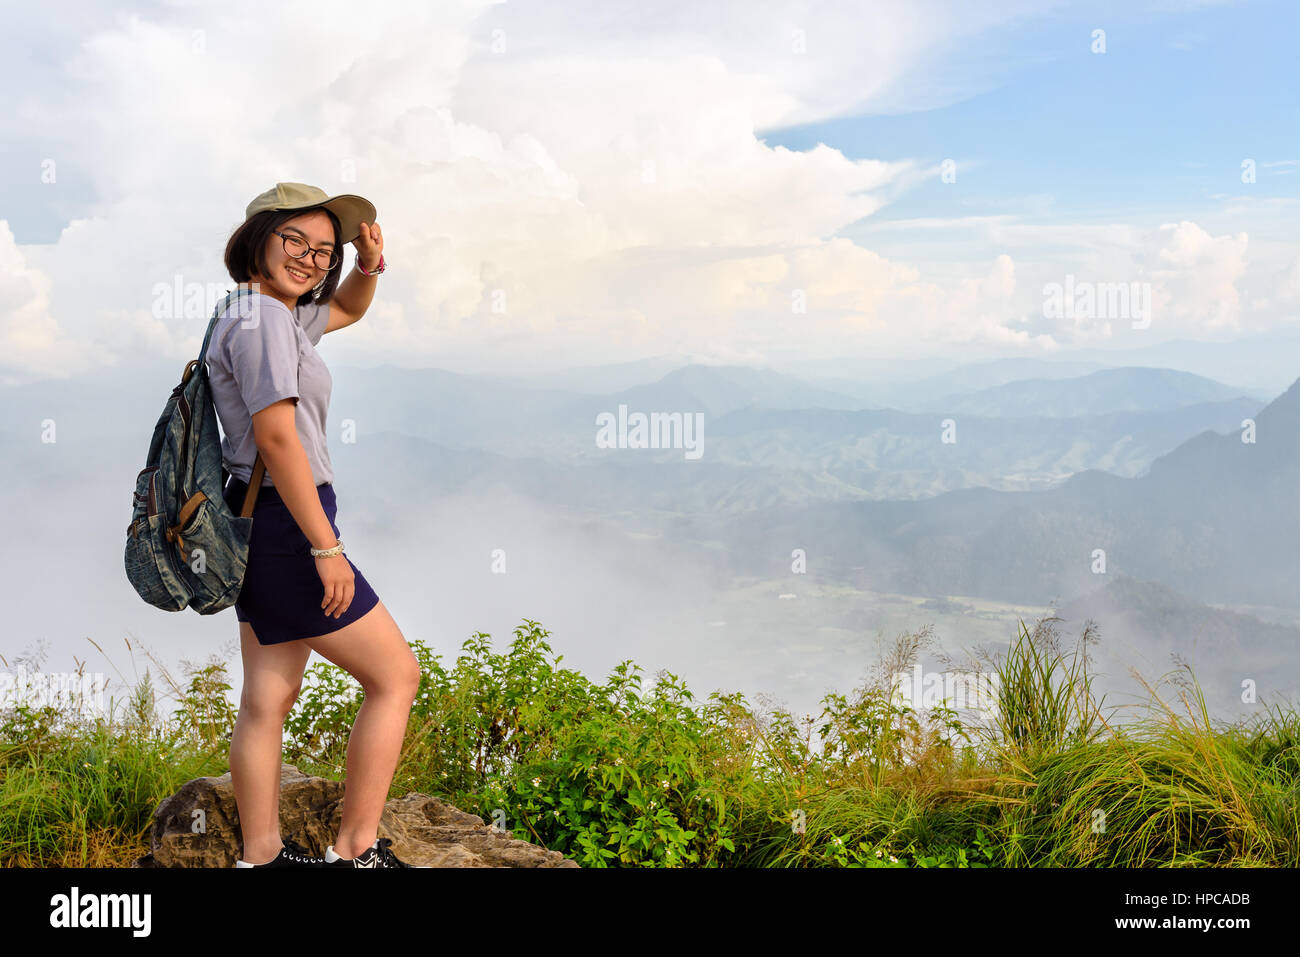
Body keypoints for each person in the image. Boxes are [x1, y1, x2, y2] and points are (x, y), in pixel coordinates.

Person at [208, 183, 422, 868]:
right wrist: (324, 546)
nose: (309, 257)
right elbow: (277, 438)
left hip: (257, 515)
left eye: (321, 250)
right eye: (294, 240)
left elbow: (349, 309)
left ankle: (262, 856)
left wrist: (366, 263)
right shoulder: (262, 321)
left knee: (268, 696)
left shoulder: (261, 312)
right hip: (288, 525)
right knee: (396, 676)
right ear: (259, 238)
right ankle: (357, 850)